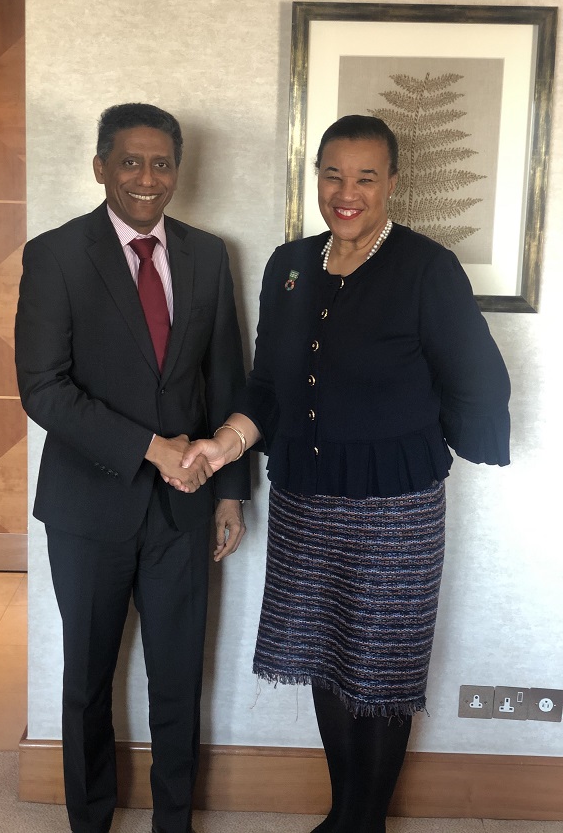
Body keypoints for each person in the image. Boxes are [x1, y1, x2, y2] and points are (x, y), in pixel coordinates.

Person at [177, 116, 510, 833]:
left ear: (392, 183)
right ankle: (343, 814)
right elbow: (268, 384)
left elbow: (477, 376)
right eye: (333, 174)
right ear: (317, 177)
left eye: (365, 177)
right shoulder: (289, 265)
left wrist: (427, 439)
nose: (347, 192)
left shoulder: (426, 268)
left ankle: (367, 822)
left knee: (381, 674)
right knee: (326, 656)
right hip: (305, 499)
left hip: (397, 508)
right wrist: (225, 443)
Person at [14, 102, 250, 833]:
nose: (147, 178)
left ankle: (173, 821)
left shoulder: (208, 255)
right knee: (88, 678)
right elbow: (43, 388)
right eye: (130, 162)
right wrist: (152, 446)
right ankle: (89, 819)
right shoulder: (55, 255)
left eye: (161, 163)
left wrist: (231, 494)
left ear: (177, 170)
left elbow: (227, 378)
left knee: (178, 679)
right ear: (100, 168)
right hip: (88, 507)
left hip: (186, 505)